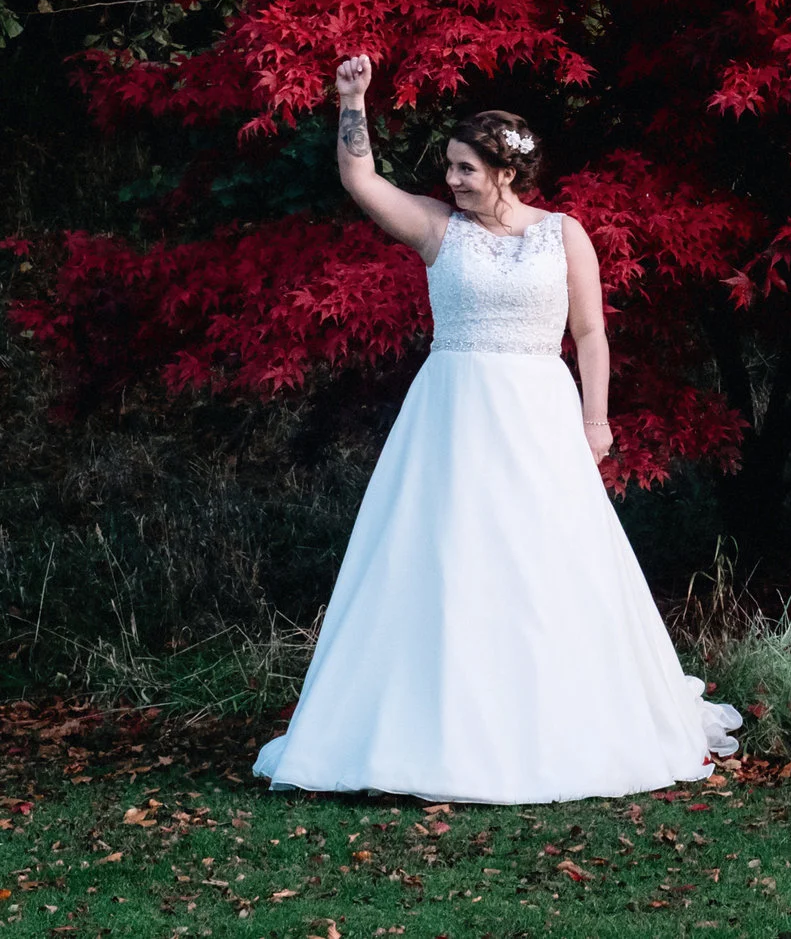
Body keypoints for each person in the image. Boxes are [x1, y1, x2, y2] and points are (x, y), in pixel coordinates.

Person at [252, 54, 740, 804]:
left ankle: (558, 724)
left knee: (548, 562)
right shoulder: (437, 229)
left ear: (505, 171)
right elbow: (360, 181)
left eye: (465, 168)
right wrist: (352, 100)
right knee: (448, 560)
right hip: (452, 417)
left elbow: (591, 333)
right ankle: (432, 730)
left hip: (540, 414)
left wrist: (596, 419)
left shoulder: (564, 234)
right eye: (448, 167)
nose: (452, 179)